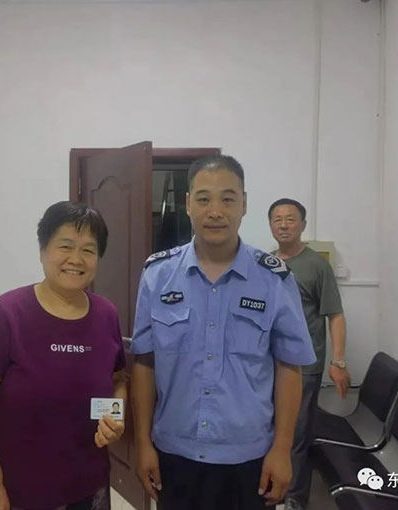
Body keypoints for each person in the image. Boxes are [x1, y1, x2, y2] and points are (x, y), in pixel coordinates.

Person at [130, 155, 316, 510]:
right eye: (204, 199)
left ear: (244, 204)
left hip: (250, 458)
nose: (215, 211)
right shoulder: (157, 275)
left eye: (227, 199)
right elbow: (144, 363)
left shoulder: (274, 279)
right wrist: (142, 445)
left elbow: (289, 366)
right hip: (175, 453)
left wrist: (282, 450)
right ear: (188, 204)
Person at [0, 201, 127, 510]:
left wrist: (114, 419)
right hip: (22, 491)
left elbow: (117, 380)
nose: (76, 259)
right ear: (42, 250)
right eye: (65, 246)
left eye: (88, 250)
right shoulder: (8, 313)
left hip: (91, 486)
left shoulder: (106, 314)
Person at [267, 198, 350, 510]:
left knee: (296, 435)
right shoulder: (265, 263)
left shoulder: (317, 265)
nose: (283, 225)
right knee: (268, 432)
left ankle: (295, 498)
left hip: (305, 366)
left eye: (290, 219)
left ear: (302, 225)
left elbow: (335, 315)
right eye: (277, 219)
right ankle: (269, 491)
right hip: (268, 365)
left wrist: (338, 362)